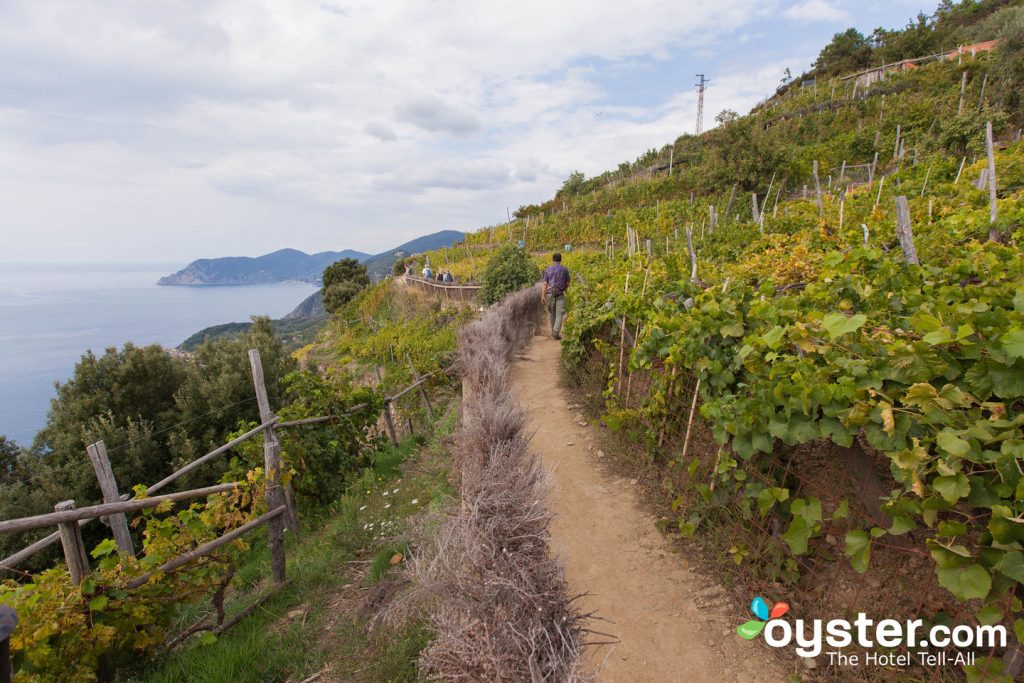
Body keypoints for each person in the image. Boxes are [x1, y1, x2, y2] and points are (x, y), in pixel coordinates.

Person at [541, 253, 570, 340]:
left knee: (552, 313)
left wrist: (543, 295)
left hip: (550, 294)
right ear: (560, 260)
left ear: (553, 260)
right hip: (560, 294)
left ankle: (554, 332)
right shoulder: (564, 269)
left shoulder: (548, 269)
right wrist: (564, 288)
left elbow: (545, 283)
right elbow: (568, 282)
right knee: (559, 314)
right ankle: (555, 333)